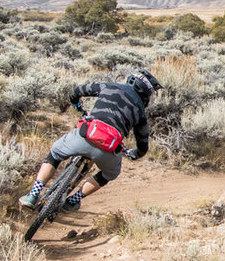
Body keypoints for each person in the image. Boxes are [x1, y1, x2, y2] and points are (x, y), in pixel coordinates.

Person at [19, 69, 162, 212]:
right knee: (109, 174)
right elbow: (143, 145)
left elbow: (77, 91)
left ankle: (33, 194)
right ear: (146, 93)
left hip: (84, 137)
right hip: (107, 150)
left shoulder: (108, 86)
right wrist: (134, 154)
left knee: (55, 154)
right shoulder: (141, 111)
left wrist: (76, 104)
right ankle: (73, 200)